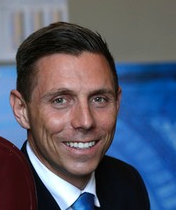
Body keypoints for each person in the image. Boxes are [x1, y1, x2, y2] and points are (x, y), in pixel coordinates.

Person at [10, 21, 150, 210]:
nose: (85, 121)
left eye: (99, 99)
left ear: (117, 102)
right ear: (21, 110)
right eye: (60, 100)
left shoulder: (127, 182)